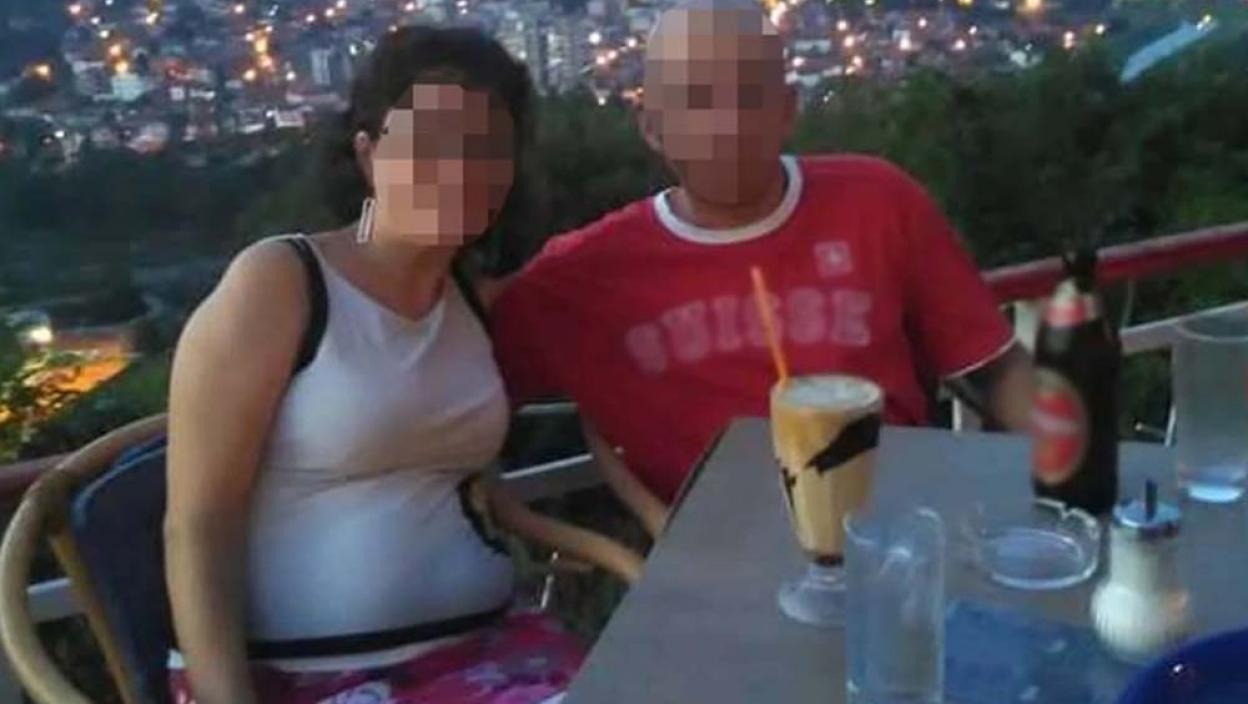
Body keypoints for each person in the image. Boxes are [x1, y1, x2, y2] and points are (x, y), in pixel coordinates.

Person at [164, 26, 640, 704]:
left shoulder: (469, 299)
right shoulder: (283, 283)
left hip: (492, 651)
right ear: (368, 153)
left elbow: (457, 467)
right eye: (429, 143)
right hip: (318, 679)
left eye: (486, 149)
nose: (459, 169)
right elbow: (198, 524)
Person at [490, 0, 1033, 536]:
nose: (726, 126)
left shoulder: (878, 201)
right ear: (652, 127)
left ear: (787, 110)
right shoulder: (584, 274)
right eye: (696, 101)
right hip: (722, 556)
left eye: (748, 97)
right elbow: (457, 387)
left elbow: (996, 368)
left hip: (899, 531)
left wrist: (1067, 470)